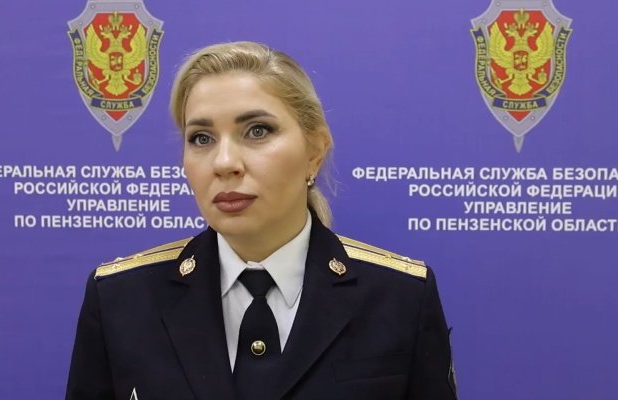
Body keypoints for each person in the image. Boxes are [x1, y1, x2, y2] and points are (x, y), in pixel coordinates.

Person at [66, 41, 457, 400]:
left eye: (257, 131)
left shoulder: (401, 298)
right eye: (201, 138)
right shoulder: (120, 299)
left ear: (315, 152)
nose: (224, 163)